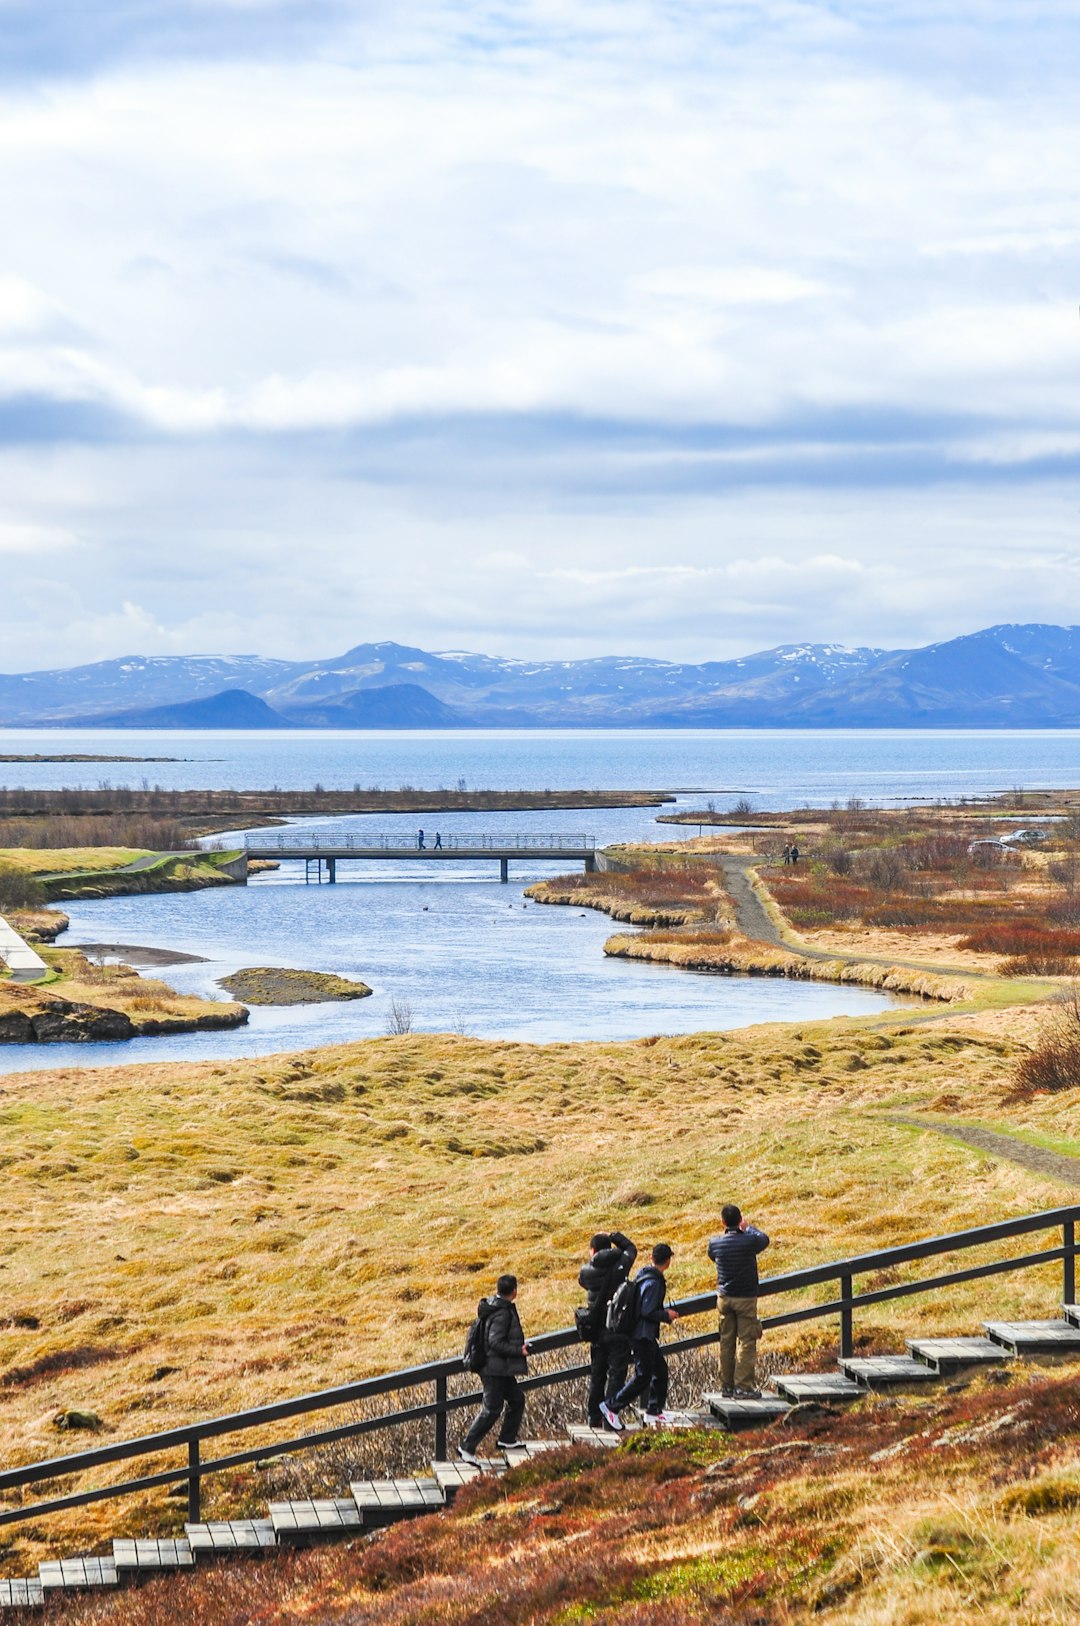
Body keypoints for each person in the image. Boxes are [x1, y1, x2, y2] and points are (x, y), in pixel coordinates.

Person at [602, 1243, 680, 1430]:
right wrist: (665, 1315)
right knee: (643, 1376)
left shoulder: (643, 1275)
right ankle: (612, 1406)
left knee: (659, 1370)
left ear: (651, 1258)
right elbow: (647, 1311)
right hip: (642, 1335)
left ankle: (654, 1409)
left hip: (640, 1334)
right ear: (668, 1261)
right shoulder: (653, 1282)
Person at [459, 1274, 529, 1464]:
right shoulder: (503, 1312)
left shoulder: (494, 1306)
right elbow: (495, 1341)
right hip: (493, 1369)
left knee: (517, 1399)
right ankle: (467, 1446)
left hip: (499, 1368)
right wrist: (518, 1350)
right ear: (514, 1291)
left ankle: (506, 1439)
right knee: (491, 1409)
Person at [707, 1205, 770, 1399]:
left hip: (724, 1298)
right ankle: (743, 1386)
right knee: (746, 1341)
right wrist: (748, 1227)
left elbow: (712, 1256)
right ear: (740, 1219)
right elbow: (764, 1239)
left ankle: (726, 1386)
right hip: (745, 1298)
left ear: (723, 1222)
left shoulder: (715, 1243)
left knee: (726, 1342)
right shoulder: (749, 1240)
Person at [578, 1229, 637, 1430]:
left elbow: (582, 1282)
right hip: (619, 1328)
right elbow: (631, 1248)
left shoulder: (586, 1272)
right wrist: (614, 1235)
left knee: (597, 1374)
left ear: (592, 1250)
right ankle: (609, 1416)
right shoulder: (621, 1264)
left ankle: (593, 1416)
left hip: (596, 1330)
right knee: (617, 1373)